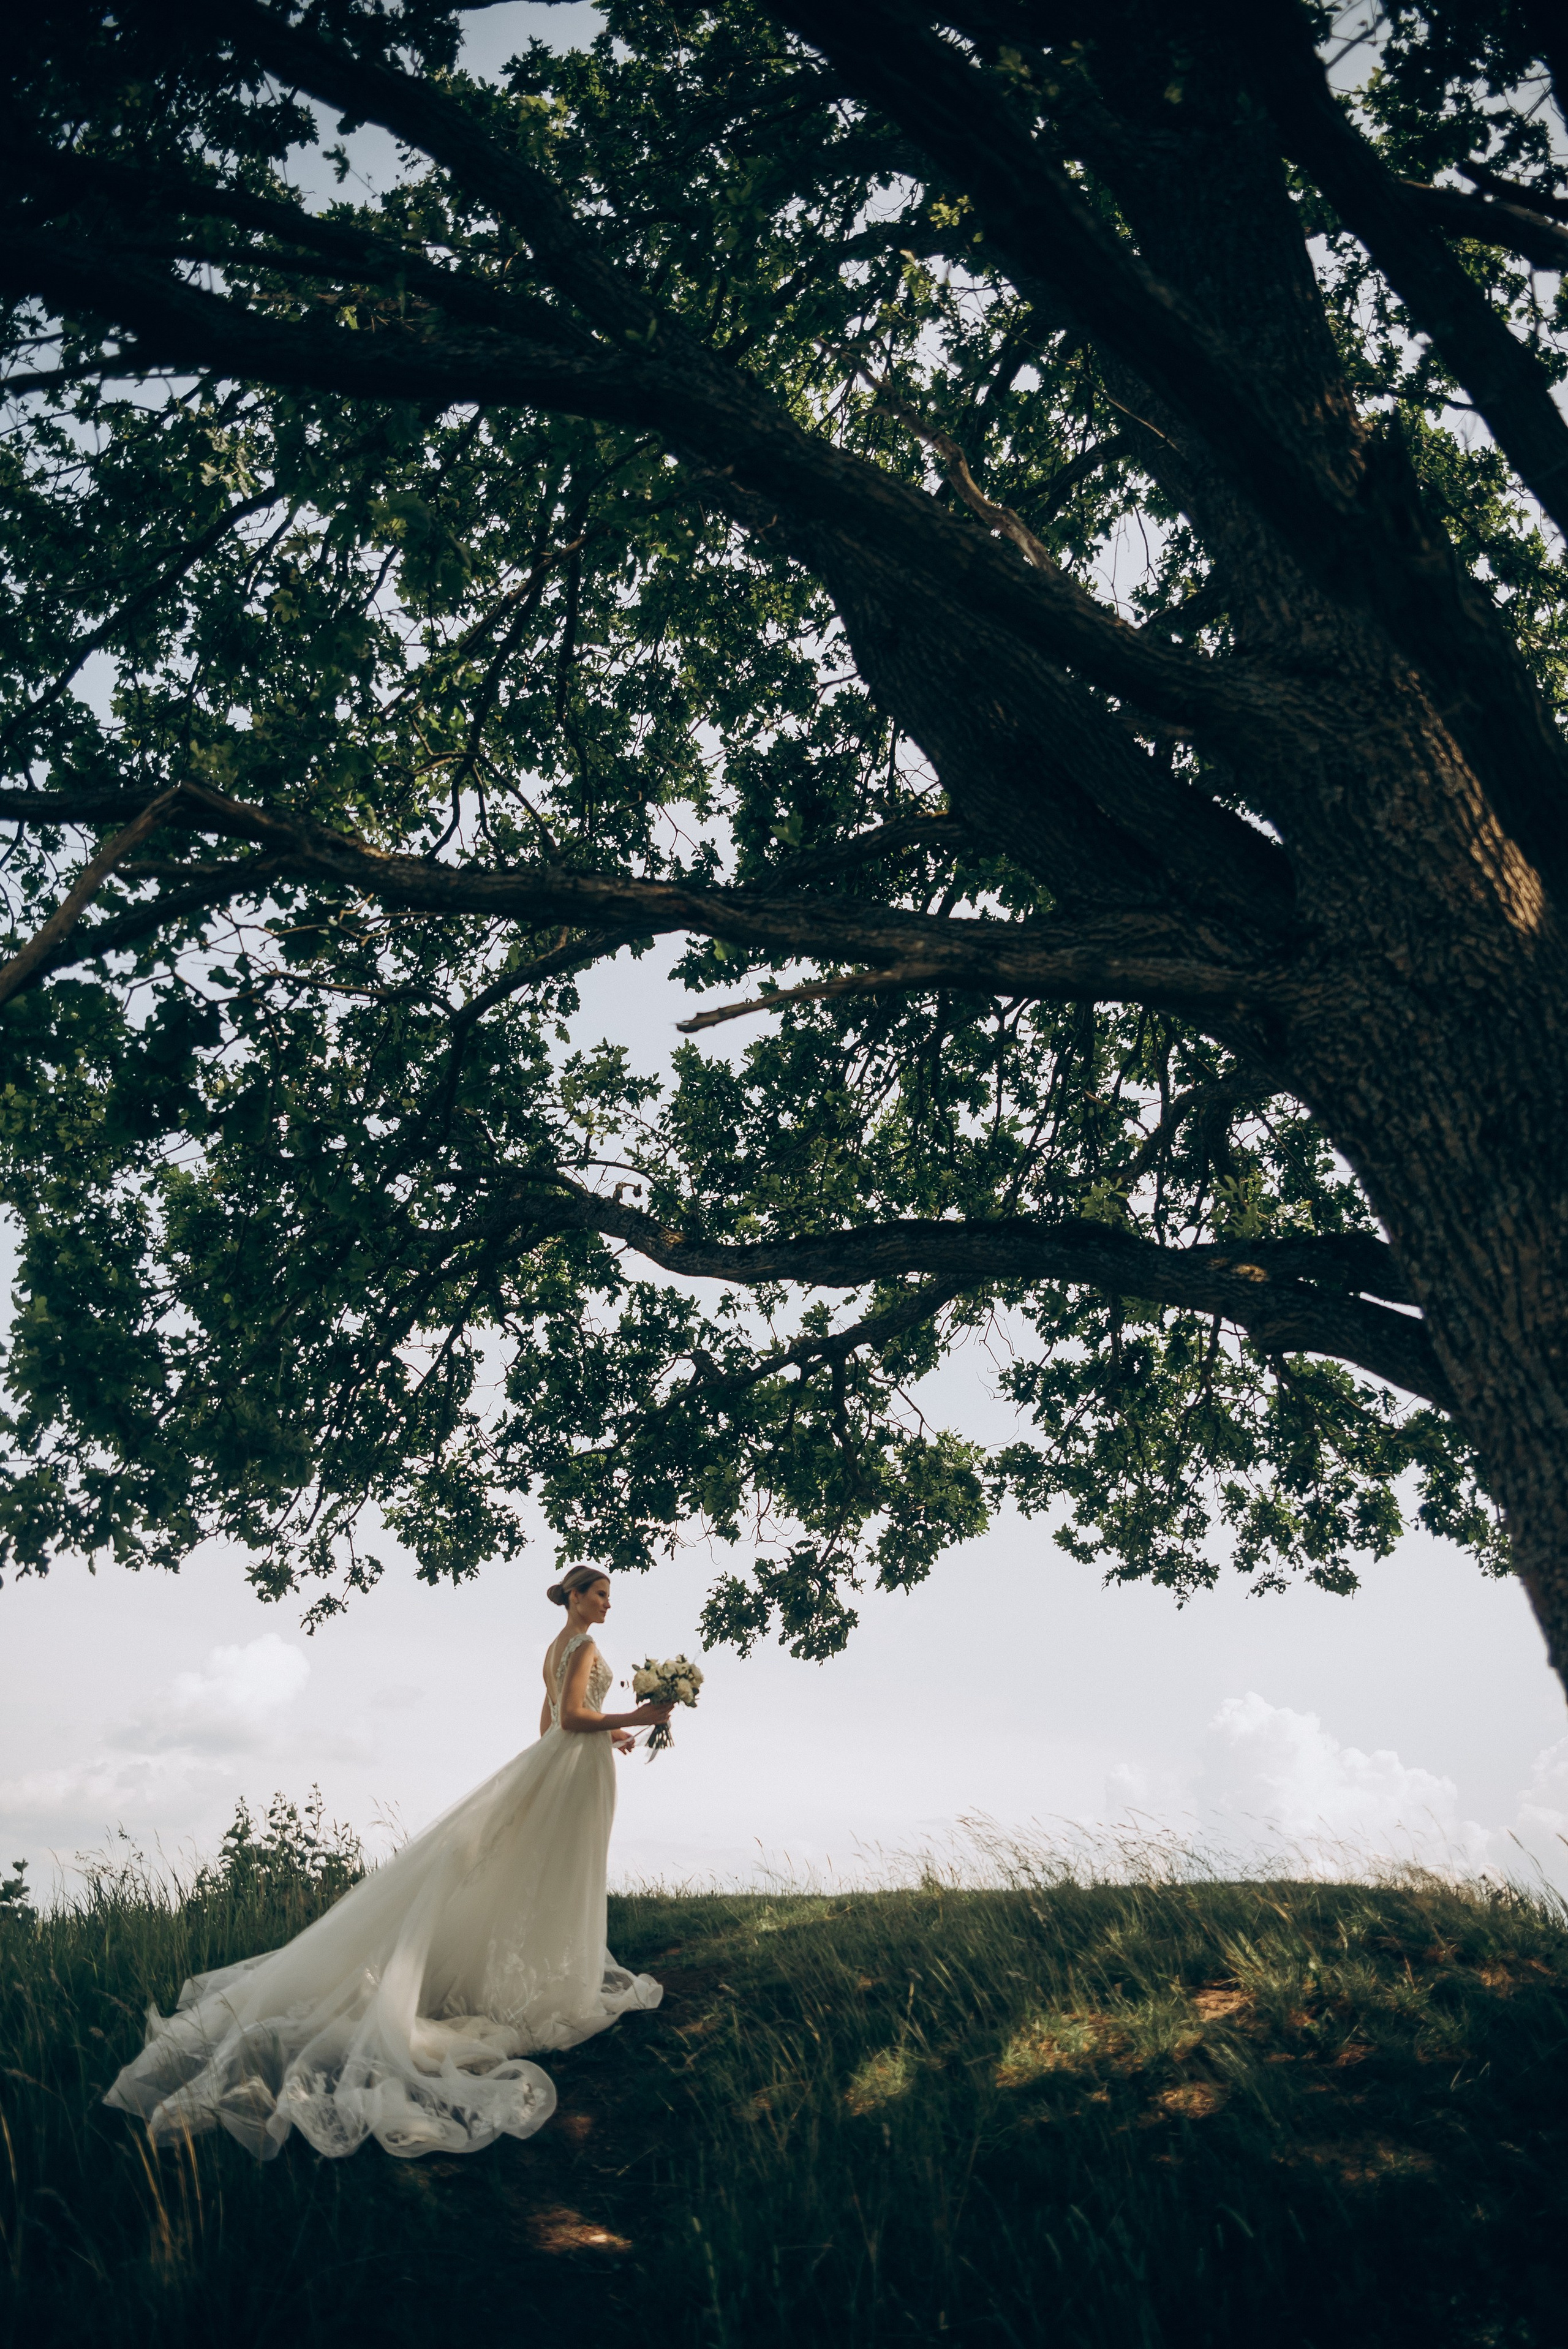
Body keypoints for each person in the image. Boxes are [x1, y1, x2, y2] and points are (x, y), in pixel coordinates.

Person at [104, 1566, 675, 2161]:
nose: (608, 1604)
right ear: (576, 1597)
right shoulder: (582, 1644)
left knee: (554, 1872)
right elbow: (569, 1720)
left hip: (572, 1763)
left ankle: (542, 1970)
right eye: (600, 1594)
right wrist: (633, 1719)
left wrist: (605, 1738)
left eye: (610, 1596)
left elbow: (550, 1725)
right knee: (564, 1874)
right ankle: (554, 1981)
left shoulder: (557, 1648)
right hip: (575, 1769)